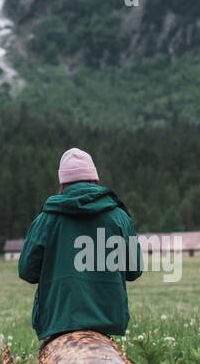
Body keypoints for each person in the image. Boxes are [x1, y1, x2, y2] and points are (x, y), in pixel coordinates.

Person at [17, 147, 142, 342]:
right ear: (95, 179)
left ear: (63, 183)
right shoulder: (119, 217)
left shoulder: (46, 219)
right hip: (106, 323)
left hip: (58, 323)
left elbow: (27, 271)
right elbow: (134, 271)